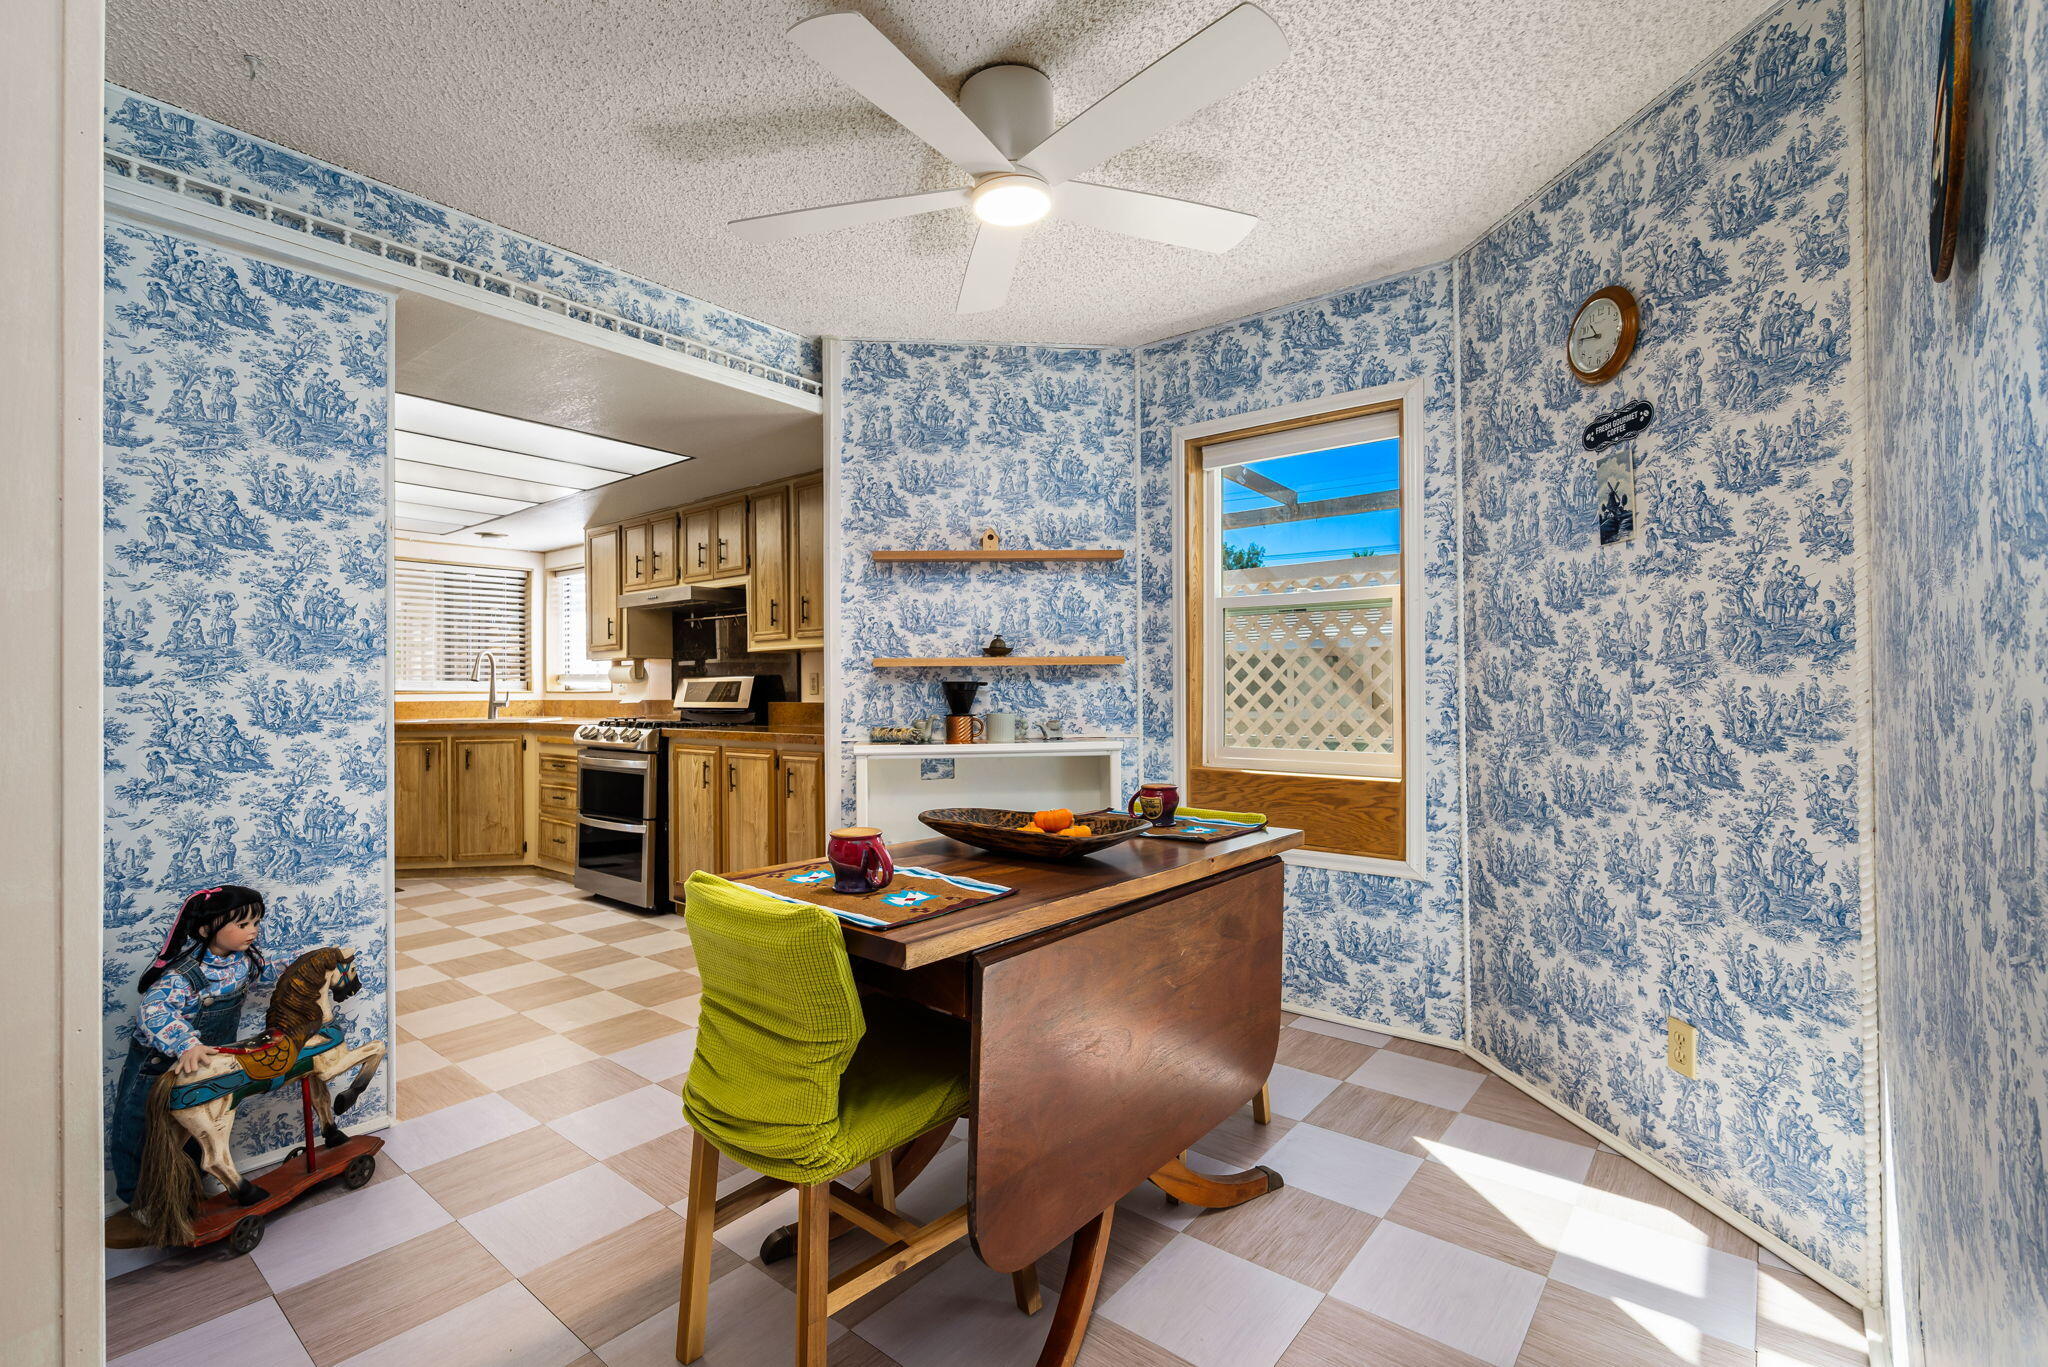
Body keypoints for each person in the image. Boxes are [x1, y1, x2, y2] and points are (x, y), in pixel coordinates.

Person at [108, 885, 268, 1205]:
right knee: (141, 1129)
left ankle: (194, 1183)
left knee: (204, 1127)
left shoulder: (242, 962)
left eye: (256, 923)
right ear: (207, 928)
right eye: (243, 925)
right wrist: (186, 1043)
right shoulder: (183, 975)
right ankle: (138, 1201)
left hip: (208, 1065)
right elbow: (153, 1012)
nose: (253, 931)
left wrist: (309, 964)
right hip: (159, 1065)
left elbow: (268, 972)